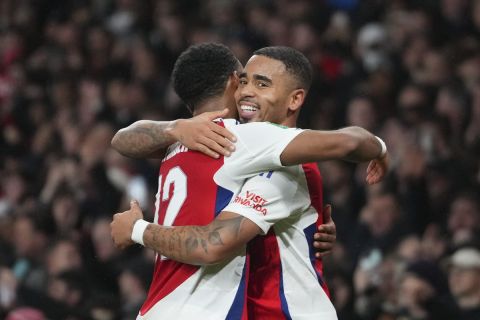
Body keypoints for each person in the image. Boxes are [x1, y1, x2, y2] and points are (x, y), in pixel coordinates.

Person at [110, 43, 388, 319]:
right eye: (244, 80)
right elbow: (214, 242)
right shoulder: (237, 139)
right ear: (233, 80)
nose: (247, 91)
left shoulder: (174, 148)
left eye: (261, 83)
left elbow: (122, 139)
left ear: (295, 98)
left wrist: (137, 229)